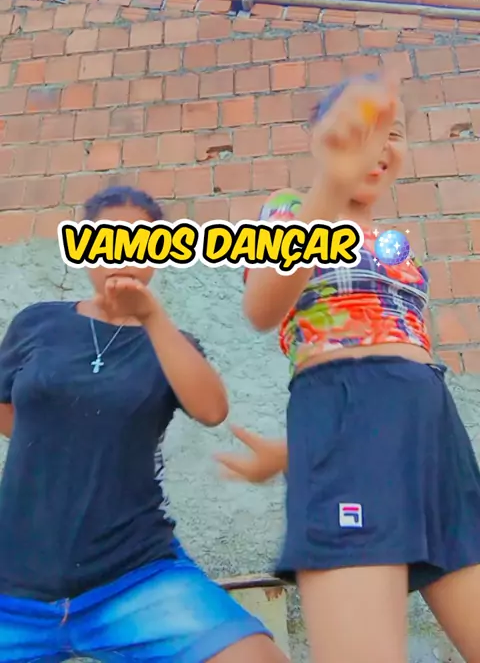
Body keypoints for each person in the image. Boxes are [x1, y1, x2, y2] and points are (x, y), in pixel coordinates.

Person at [215, 75, 480, 663]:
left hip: (435, 441)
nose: (377, 146)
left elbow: (396, 377)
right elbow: (262, 306)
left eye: (393, 134)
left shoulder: (395, 247)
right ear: (322, 137)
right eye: (360, 130)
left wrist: (294, 452)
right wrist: (331, 183)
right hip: (346, 427)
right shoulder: (288, 213)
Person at [0, 185, 288, 663]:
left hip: (134, 576)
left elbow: (212, 410)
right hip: (13, 585)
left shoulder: (172, 342)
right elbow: (6, 406)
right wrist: (60, 440)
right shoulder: (38, 323)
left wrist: (152, 318)